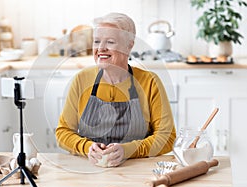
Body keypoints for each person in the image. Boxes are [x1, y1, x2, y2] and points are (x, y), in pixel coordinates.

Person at [55, 12, 176, 167]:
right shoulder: (82, 79)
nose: (101, 48)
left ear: (129, 45)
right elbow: (63, 132)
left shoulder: (149, 82)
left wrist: (128, 150)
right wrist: (87, 148)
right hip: (90, 170)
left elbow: (166, 137)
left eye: (110, 42)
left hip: (136, 170)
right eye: (97, 41)